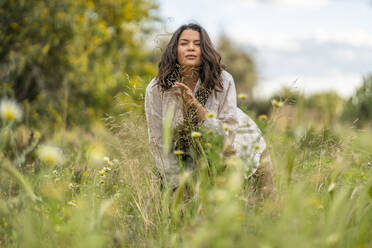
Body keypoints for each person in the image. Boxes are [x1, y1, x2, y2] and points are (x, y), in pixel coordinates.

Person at [145, 23, 273, 199]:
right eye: (184, 43)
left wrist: (197, 107)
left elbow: (226, 138)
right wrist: (177, 185)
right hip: (190, 157)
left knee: (261, 210)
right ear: (174, 50)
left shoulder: (222, 81)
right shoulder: (157, 88)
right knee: (181, 210)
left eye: (197, 44)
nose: (191, 47)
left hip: (242, 147)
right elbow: (159, 142)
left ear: (204, 50)